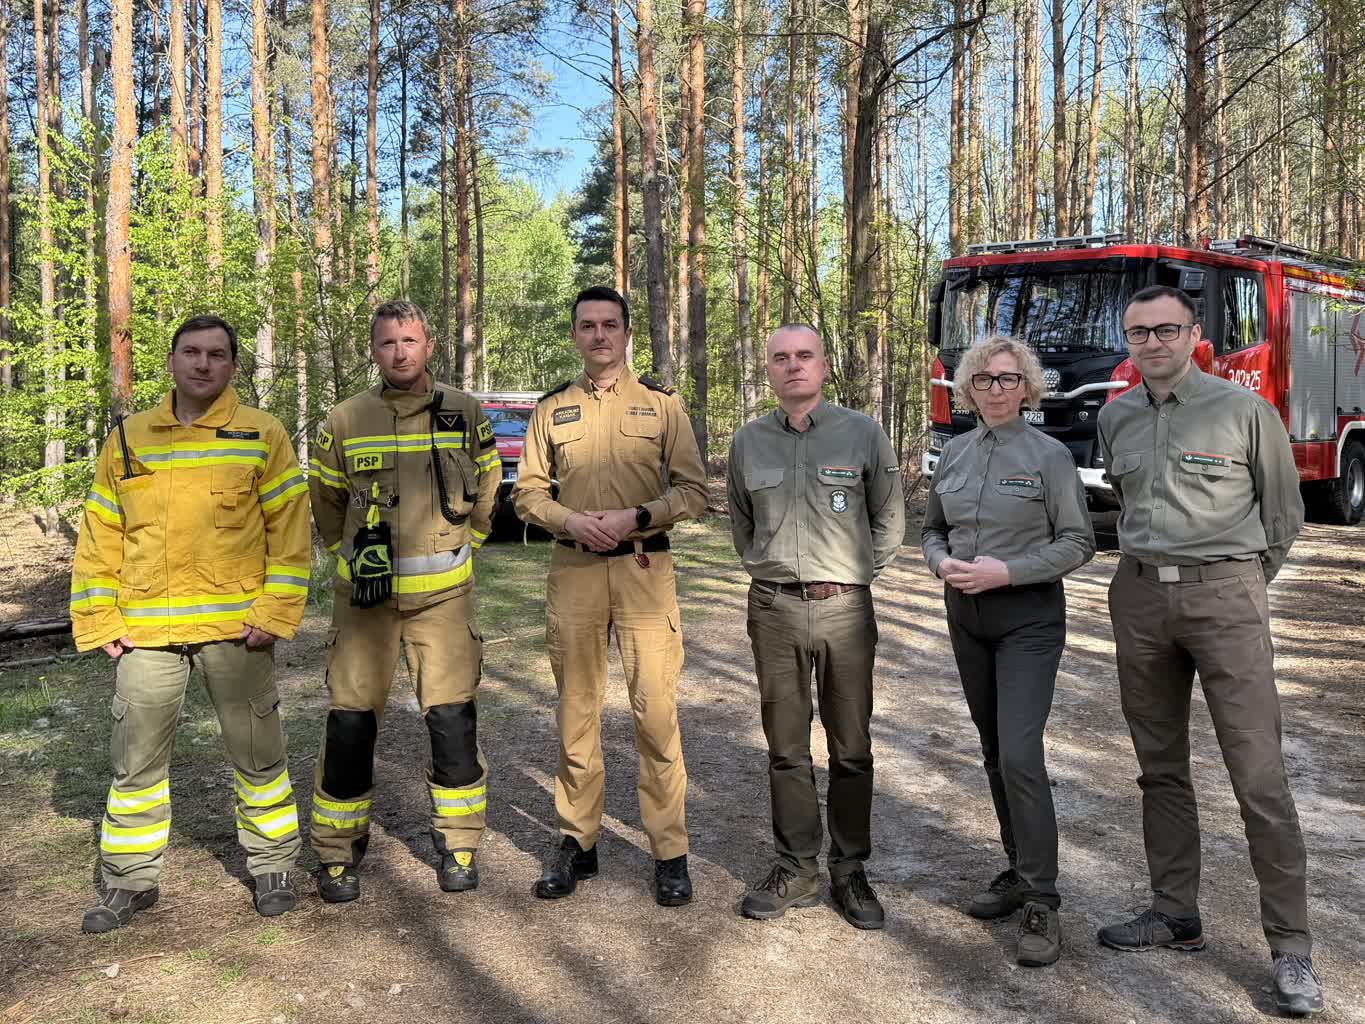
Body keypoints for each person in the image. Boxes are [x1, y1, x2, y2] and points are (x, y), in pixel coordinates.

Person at [1096, 285, 1322, 1016]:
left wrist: (1236, 586)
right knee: (1158, 768)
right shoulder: (1114, 416)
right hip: (1137, 601)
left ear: (1194, 334)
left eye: (1166, 329)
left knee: (1257, 776)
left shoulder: (1242, 411)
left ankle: (1291, 950)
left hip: (1225, 599)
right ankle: (1173, 913)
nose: (1152, 342)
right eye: (1138, 332)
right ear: (1126, 341)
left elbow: (1282, 516)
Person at [69, 314, 312, 931]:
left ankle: (273, 865)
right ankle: (129, 880)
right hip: (146, 631)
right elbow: (101, 534)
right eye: (191, 352)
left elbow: (290, 535)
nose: (203, 364)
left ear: (234, 365)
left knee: (259, 756)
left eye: (217, 355)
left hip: (238, 628)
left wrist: (274, 612)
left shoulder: (262, 434)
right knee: (136, 763)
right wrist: (101, 615)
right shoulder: (128, 439)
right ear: (172, 360)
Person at [512, 285, 707, 907]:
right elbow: (527, 494)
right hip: (573, 571)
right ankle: (577, 843)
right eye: (588, 326)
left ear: (627, 334)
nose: (599, 335)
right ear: (574, 335)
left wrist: (639, 515)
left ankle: (670, 852)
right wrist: (570, 521)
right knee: (576, 711)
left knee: (654, 712)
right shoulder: (552, 410)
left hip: (644, 570)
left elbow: (694, 492)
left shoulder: (662, 407)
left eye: (610, 325)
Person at [306, 300, 500, 901]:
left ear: (430, 344)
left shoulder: (464, 413)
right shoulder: (344, 419)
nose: (400, 353)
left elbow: (489, 482)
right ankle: (339, 853)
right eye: (388, 343)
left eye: (410, 341)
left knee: (451, 723)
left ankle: (459, 844)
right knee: (350, 728)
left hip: (443, 602)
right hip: (363, 607)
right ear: (374, 349)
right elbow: (327, 505)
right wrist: (356, 558)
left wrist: (471, 539)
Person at [920, 335, 1095, 966]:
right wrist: (940, 562)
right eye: (984, 380)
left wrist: (1009, 572)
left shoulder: (1049, 456)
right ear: (968, 388)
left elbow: (1079, 542)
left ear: (1027, 387)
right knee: (995, 750)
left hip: (1027, 618)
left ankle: (1042, 900)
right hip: (966, 617)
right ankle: (1019, 870)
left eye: (1008, 379)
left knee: (1021, 752)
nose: (996, 389)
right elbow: (932, 527)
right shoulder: (955, 453)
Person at [726, 323, 904, 930]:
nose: (793, 366)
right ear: (769, 370)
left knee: (851, 746)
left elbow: (888, 518)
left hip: (845, 610)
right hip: (774, 608)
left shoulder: (862, 434)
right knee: (785, 746)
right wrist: (770, 572)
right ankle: (797, 865)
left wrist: (856, 577)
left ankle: (850, 870)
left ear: (824, 366)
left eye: (804, 356)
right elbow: (742, 523)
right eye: (781, 358)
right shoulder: (747, 442)